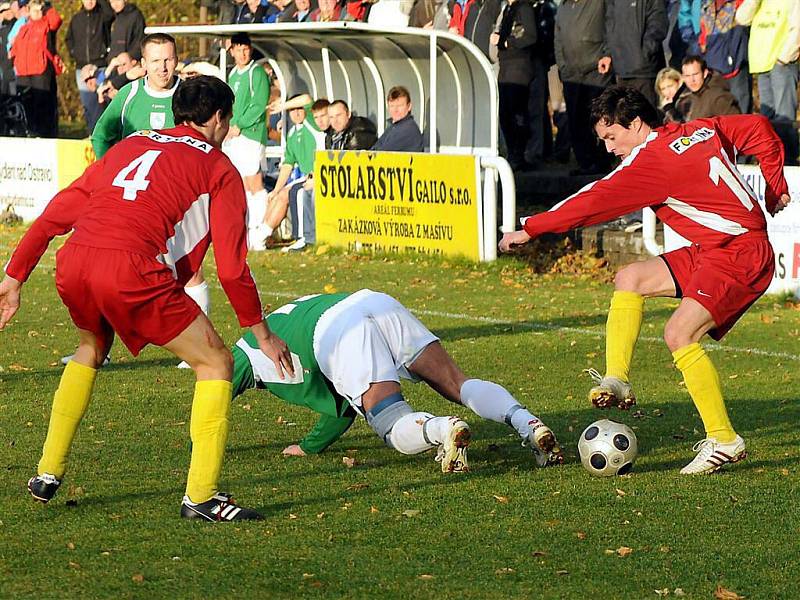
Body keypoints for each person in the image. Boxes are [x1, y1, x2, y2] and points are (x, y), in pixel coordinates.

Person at [0, 75, 294, 521]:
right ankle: (202, 496)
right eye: (228, 119)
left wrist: (14, 277)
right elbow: (233, 269)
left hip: (75, 259)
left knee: (90, 346)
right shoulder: (219, 168)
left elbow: (56, 212)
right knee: (216, 362)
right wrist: (262, 334)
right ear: (218, 118)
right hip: (130, 268)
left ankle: (47, 471)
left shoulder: (131, 144)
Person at [499, 86, 791, 475]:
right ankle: (617, 379)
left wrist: (531, 229)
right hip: (717, 248)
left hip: (738, 254)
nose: (608, 148)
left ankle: (724, 439)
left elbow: (592, 200)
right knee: (630, 277)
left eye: (611, 137)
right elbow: (757, 126)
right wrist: (775, 185)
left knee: (679, 334)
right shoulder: (696, 130)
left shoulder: (651, 163)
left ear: (635, 123)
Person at [231, 290, 564, 469]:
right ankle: (528, 423)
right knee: (457, 383)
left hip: (338, 331)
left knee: (391, 422)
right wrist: (310, 446)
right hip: (371, 301)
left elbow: (217, 382)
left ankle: (443, 429)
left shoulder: (245, 351)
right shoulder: (279, 320)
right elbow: (342, 409)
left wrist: (197, 443)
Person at [259, 94, 328, 252]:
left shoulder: (311, 123)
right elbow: (288, 164)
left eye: (298, 110)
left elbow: (306, 99)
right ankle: (261, 235)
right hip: (306, 175)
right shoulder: (291, 134)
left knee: (291, 194)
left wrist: (283, 105)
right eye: (292, 111)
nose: (296, 113)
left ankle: (302, 237)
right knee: (277, 195)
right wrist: (275, 190)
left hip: (318, 173)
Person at [221, 32, 270, 251]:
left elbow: (259, 104)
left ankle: (259, 231)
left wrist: (239, 124)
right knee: (239, 184)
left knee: (254, 182)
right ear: (231, 51)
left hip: (250, 133)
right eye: (238, 49)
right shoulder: (233, 73)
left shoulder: (256, 72)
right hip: (234, 135)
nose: (242, 53)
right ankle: (246, 230)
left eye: (245, 49)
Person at [735, 0, 799, 165]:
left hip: (781, 64)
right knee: (767, 122)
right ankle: (769, 162)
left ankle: (788, 164)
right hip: (761, 64)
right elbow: (741, 18)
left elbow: (797, 28)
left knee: (784, 120)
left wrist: (784, 58)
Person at [554, 0, 613, 176]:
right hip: (571, 74)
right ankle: (584, 162)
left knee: (599, 118)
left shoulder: (599, 3)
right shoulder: (563, 7)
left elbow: (611, 26)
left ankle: (602, 162)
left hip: (596, 71)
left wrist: (607, 54)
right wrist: (562, 66)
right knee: (576, 120)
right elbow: (558, 39)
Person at [490, 0, 538, 171]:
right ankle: (512, 153)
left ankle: (519, 155)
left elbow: (530, 36)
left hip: (519, 66)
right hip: (505, 65)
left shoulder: (524, 8)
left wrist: (506, 42)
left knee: (517, 111)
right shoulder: (508, 9)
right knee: (505, 113)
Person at [598, 0, 668, 107]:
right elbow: (608, 25)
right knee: (627, 117)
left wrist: (643, 54)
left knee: (648, 117)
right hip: (621, 70)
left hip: (645, 72)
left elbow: (658, 23)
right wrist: (608, 53)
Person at [8, 0, 61, 137]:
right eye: (34, 10)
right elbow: (15, 46)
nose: (36, 13)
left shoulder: (46, 24)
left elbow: (56, 20)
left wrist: (46, 6)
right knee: (26, 105)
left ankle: (43, 133)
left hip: (40, 70)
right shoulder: (24, 27)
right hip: (24, 72)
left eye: (39, 10)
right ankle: (29, 131)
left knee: (41, 104)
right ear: (29, 11)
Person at [66, 0, 114, 131]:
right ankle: (92, 133)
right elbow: (69, 39)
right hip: (81, 70)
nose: (90, 1)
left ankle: (105, 134)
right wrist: (75, 54)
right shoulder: (76, 19)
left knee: (103, 101)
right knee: (88, 104)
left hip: (100, 68)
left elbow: (110, 14)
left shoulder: (102, 16)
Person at [675, 55, 740, 120]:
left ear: (705, 73)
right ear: (683, 77)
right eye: (687, 76)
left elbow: (737, 124)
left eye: (695, 74)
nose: (692, 80)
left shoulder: (718, 97)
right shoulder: (687, 98)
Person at [372, 85, 424, 152]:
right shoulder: (393, 127)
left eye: (400, 105)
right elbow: (375, 149)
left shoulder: (408, 129)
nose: (395, 110)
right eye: (392, 106)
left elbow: (381, 153)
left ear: (409, 106)